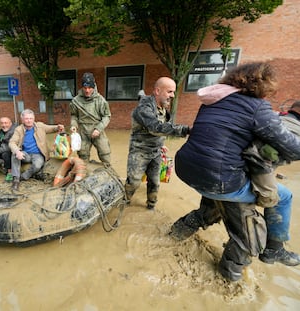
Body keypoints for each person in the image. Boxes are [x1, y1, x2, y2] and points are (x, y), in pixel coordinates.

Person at [169, 62, 300, 282]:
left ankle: (174, 235)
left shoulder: (213, 101)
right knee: (273, 209)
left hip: (187, 168)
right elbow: (293, 149)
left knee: (214, 207)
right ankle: (234, 276)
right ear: (262, 85)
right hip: (219, 179)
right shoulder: (258, 108)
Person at [124, 77, 190, 210]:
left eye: (173, 92)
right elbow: (155, 127)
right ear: (157, 91)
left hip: (156, 152)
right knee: (134, 181)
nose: (172, 96)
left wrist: (161, 144)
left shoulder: (163, 107)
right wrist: (186, 130)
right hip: (139, 151)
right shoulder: (143, 109)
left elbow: (163, 127)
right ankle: (124, 202)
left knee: (155, 181)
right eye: (169, 92)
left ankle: (151, 206)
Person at [9, 109, 64, 191]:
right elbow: (12, 142)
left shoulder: (40, 126)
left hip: (38, 154)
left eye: (31, 118)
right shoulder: (19, 129)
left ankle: (23, 177)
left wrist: (58, 127)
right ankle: (16, 179)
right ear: (22, 120)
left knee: (37, 165)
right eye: (26, 118)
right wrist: (17, 151)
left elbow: (52, 128)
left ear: (34, 118)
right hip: (25, 154)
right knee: (14, 155)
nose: (29, 120)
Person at [69, 72, 111, 164]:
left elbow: (107, 116)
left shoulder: (100, 100)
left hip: (97, 130)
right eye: (85, 88)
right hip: (83, 131)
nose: (87, 90)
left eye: (90, 88)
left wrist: (98, 129)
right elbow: (74, 115)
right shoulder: (76, 101)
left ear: (94, 86)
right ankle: (85, 175)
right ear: (82, 87)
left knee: (105, 153)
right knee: (83, 156)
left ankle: (109, 173)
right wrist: (74, 125)